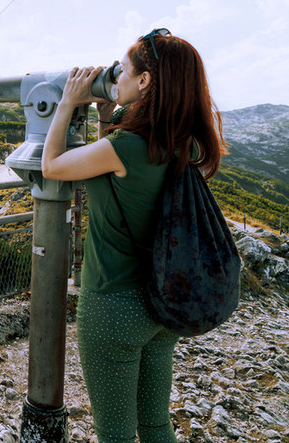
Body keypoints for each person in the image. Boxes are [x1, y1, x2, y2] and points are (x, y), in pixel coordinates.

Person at [41, 29, 227, 442]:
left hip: (114, 306)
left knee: (116, 433)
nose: (117, 76)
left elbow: (52, 165)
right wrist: (108, 116)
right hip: (163, 302)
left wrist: (68, 103)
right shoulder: (179, 142)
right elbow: (120, 174)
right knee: (155, 423)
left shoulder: (125, 147)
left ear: (145, 81)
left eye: (122, 70)